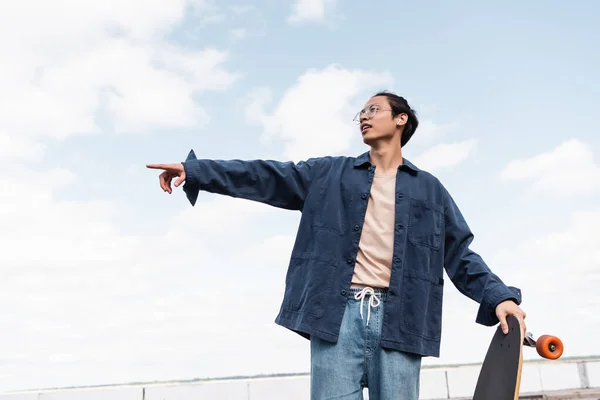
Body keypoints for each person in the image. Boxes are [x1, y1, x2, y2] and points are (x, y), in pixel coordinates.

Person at [147, 91, 527, 400]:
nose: (363, 116)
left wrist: (499, 297)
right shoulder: (329, 173)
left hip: (402, 320)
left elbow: (459, 253)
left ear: (401, 119)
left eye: (373, 109)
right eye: (360, 112)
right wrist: (197, 171)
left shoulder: (429, 189)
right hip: (337, 316)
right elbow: (265, 175)